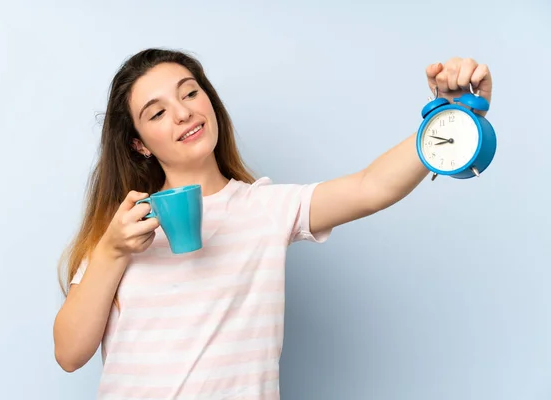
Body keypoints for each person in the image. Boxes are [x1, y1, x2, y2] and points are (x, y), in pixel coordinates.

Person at [53, 48, 492, 399]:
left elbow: (370, 187)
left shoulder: (265, 208)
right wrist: (110, 250)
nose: (183, 113)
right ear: (139, 144)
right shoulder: (124, 231)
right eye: (157, 112)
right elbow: (70, 354)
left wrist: (450, 120)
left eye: (189, 93)